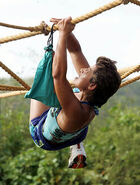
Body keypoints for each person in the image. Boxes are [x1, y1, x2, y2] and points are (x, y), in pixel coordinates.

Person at [28, 16, 121, 169]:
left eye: (88, 71)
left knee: (45, 78)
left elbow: (58, 76)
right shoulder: (91, 91)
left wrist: (62, 36)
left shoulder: (77, 112)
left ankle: (75, 143)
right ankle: (77, 143)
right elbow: (75, 51)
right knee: (74, 91)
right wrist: (66, 31)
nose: (84, 70)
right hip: (76, 131)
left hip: (42, 133)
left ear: (92, 85)